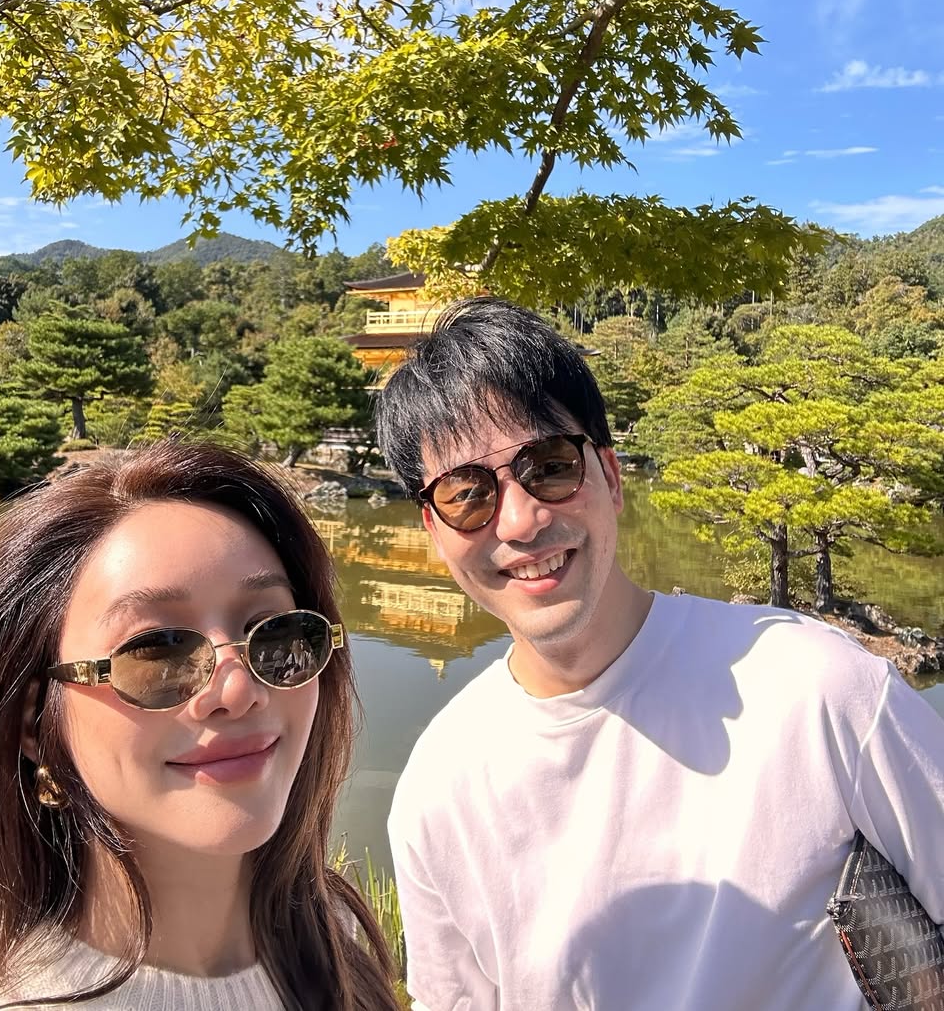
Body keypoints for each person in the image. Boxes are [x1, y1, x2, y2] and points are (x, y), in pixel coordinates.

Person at [375, 297, 944, 1011]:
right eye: (467, 494)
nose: (519, 520)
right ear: (434, 530)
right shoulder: (439, 786)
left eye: (549, 466)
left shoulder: (819, 688)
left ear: (610, 478)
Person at [0, 439, 400, 1011]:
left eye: (273, 630)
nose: (238, 690)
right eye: (156, 651)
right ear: (35, 721)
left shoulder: (331, 932)